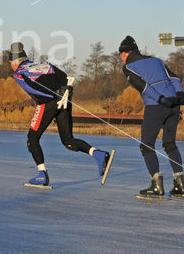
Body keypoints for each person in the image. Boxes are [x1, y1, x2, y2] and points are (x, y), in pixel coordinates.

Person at [8, 42, 114, 187]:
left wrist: (52, 96)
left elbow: (34, 87)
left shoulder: (19, 73)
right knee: (68, 141)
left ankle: (42, 175)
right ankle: (98, 154)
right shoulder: (43, 64)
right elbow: (63, 76)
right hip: (64, 99)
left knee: (32, 139)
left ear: (14, 63)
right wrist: (66, 91)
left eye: (10, 63)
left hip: (47, 102)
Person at [118, 35, 184, 198]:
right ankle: (180, 184)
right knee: (170, 144)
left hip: (156, 106)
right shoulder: (156, 61)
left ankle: (156, 184)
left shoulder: (128, 67)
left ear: (125, 53)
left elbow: (143, 87)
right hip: (174, 105)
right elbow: (175, 78)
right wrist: (180, 94)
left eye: (120, 55)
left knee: (146, 145)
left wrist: (159, 99)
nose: (121, 58)